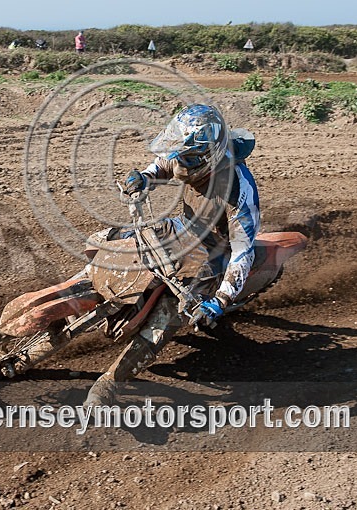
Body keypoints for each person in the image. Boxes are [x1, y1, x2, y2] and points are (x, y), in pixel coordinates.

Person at [83, 103, 261, 406]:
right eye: (180, 154)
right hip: (182, 227)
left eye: (187, 158)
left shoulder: (239, 192)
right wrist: (144, 177)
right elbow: (168, 163)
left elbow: (244, 252)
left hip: (215, 251)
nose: (180, 164)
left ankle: (111, 383)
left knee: (170, 312)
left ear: (209, 157)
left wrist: (219, 301)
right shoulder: (193, 154)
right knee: (107, 241)